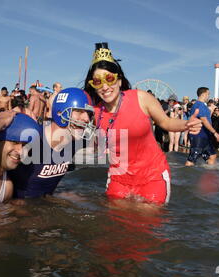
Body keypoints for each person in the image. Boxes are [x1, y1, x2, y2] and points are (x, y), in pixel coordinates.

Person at [84, 42, 202, 205]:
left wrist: (186, 125)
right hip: (119, 179)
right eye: (97, 82)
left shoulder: (140, 98)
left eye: (109, 78)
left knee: (145, 225)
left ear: (119, 80)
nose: (105, 86)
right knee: (114, 227)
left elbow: (165, 122)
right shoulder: (95, 111)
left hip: (152, 176)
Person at [8, 88, 95, 198]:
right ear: (59, 112)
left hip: (43, 202)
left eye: (89, 113)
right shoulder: (31, 138)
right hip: (17, 206)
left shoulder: (76, 142)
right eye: (79, 111)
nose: (87, 118)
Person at [185, 87, 219, 167]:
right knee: (192, 159)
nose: (209, 96)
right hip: (198, 135)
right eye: (208, 94)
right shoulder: (198, 105)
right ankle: (186, 176)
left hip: (206, 135)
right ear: (204, 94)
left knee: (212, 156)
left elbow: (207, 119)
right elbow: (204, 120)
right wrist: (215, 132)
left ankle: (208, 175)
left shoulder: (203, 106)